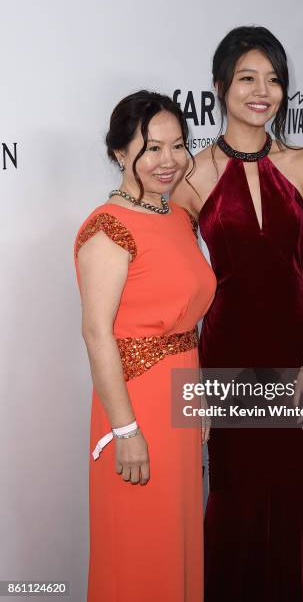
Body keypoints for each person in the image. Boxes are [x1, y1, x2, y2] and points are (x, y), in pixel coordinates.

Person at [172, 26, 303, 601]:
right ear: (219, 87)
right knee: (234, 493)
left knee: (291, 487)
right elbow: (180, 287)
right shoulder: (191, 176)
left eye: (274, 80)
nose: (263, 91)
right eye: (247, 78)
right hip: (227, 358)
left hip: (291, 356)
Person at [74, 90, 216, 602]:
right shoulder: (107, 230)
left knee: (175, 540)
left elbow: (186, 326)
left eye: (178, 146)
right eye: (151, 148)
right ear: (119, 153)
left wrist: (196, 400)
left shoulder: (178, 218)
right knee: (137, 548)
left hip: (177, 404)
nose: (169, 161)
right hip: (133, 411)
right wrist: (126, 430)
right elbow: (97, 334)